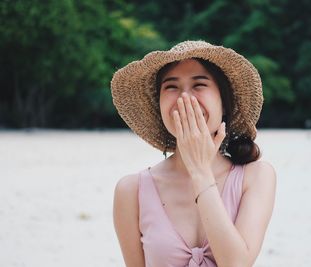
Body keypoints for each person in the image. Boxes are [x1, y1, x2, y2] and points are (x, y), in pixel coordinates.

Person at [111, 40, 277, 267]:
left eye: (199, 85)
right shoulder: (131, 191)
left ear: (224, 102)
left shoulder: (256, 176)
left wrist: (200, 172)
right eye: (171, 87)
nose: (185, 99)